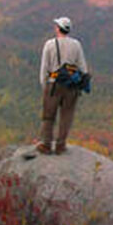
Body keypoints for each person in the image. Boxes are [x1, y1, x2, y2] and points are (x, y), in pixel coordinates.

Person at [37, 16, 89, 155]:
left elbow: (44, 68)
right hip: (71, 86)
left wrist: (45, 86)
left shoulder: (50, 44)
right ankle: (60, 145)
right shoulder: (76, 44)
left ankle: (46, 145)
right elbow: (83, 68)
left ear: (58, 28)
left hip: (53, 84)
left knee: (48, 116)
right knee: (66, 116)